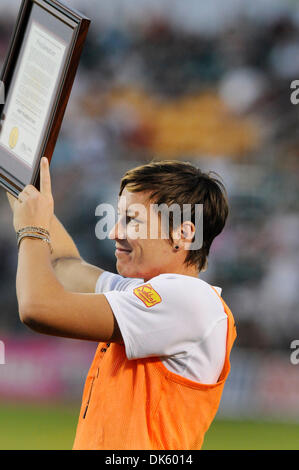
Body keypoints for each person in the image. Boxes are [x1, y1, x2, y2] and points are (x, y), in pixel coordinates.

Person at [7, 157, 236, 450]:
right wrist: (17, 178)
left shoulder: (189, 300)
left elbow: (37, 309)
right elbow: (63, 265)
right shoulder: (148, 295)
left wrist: (33, 230)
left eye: (132, 220)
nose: (115, 232)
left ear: (184, 233)